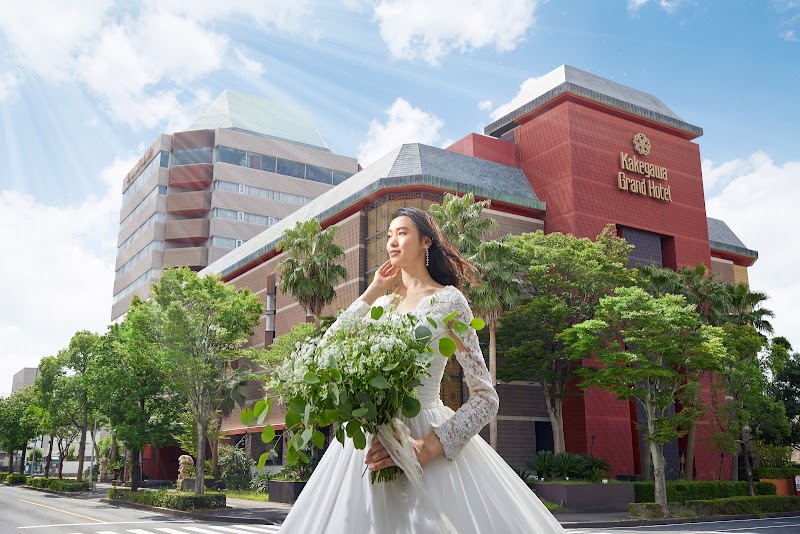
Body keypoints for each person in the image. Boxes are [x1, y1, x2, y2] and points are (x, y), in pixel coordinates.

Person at [279, 207, 565, 533]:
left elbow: (486, 397)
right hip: (366, 443)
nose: (392, 241)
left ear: (426, 241)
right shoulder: (381, 305)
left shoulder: (449, 301)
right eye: (388, 235)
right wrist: (371, 292)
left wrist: (429, 447)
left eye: (402, 233)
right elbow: (324, 352)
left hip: (425, 436)